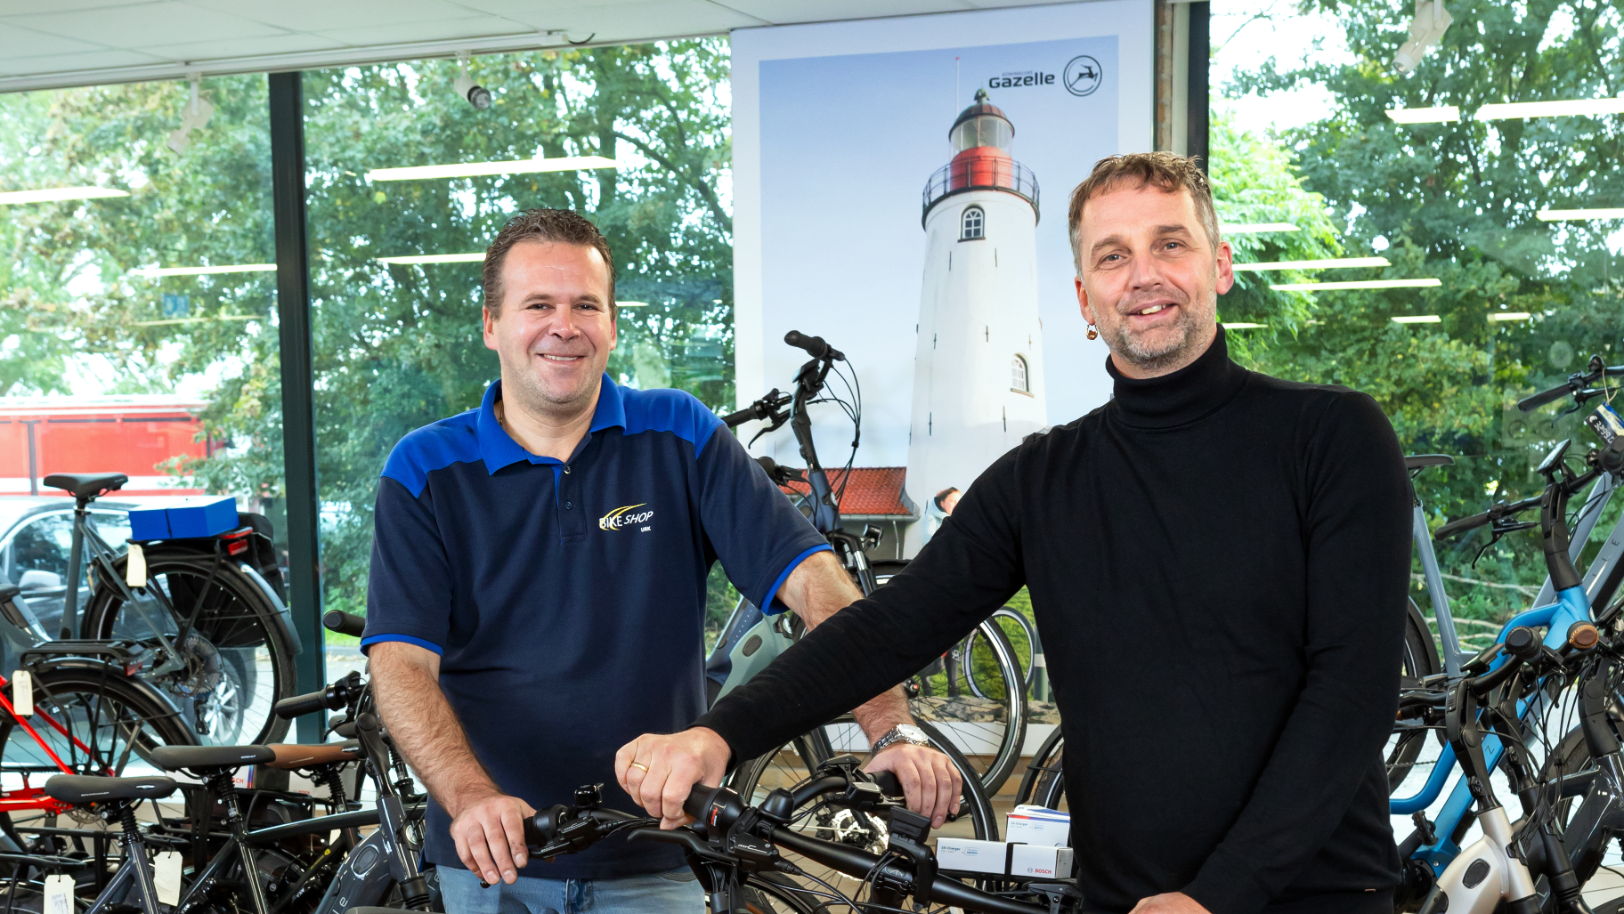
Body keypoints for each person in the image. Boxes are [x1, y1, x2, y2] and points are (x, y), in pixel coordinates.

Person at [616, 154, 1412, 914]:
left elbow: (1351, 693)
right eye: (1113, 256)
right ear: (1081, 299)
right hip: (1126, 899)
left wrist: (1216, 898)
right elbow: (886, 630)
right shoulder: (1043, 479)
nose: (1144, 275)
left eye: (1171, 244)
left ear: (1220, 266)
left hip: (1321, 896)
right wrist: (719, 733)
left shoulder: (1331, 436)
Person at [361, 208, 960, 914]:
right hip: (495, 855)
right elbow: (400, 665)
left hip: (661, 849)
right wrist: (471, 799)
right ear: (492, 324)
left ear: (612, 324)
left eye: (587, 304)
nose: (565, 325)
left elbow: (814, 581)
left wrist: (890, 727)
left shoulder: (679, 433)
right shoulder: (425, 469)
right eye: (538, 305)